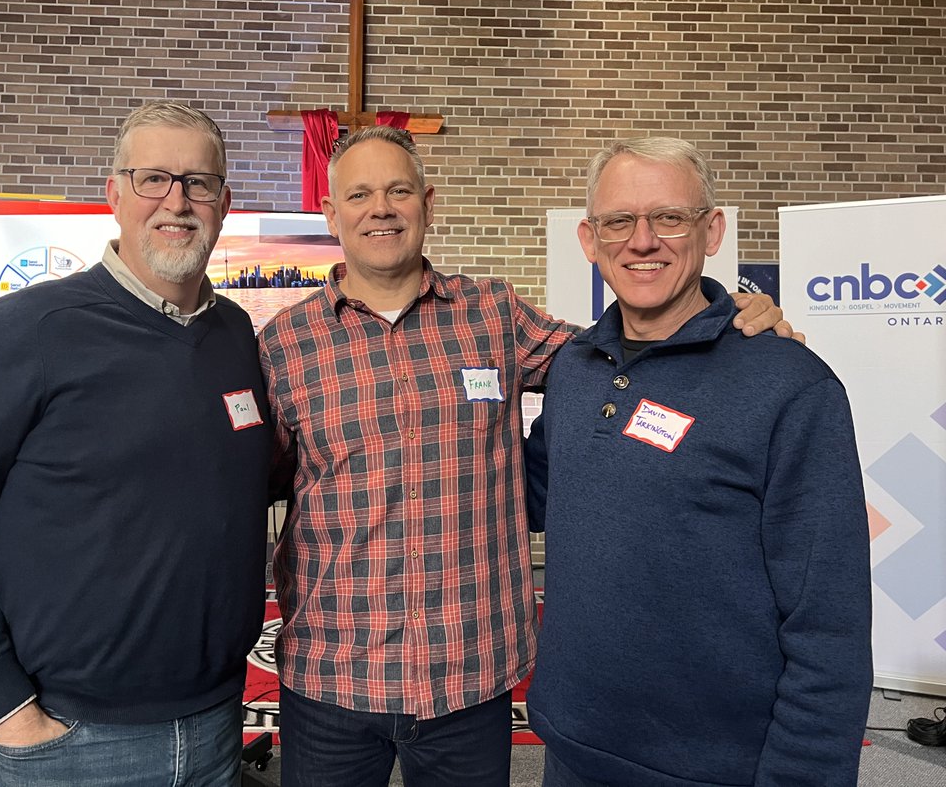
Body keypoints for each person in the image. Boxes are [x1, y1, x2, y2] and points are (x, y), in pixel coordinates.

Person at [258, 126, 791, 787]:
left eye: (399, 190)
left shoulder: (494, 316)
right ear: (331, 214)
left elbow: (626, 352)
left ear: (428, 202)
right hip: (333, 677)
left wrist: (730, 321)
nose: (382, 208)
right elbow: (260, 484)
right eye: (359, 195)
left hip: (472, 674)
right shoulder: (283, 345)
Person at [0, 101, 273, 787]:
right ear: (114, 194)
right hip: (70, 740)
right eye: (154, 179)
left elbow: (227, 484)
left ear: (224, 202)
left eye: (198, 182)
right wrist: (6, 711)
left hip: (215, 724)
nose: (176, 201)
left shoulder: (234, 335)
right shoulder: (31, 330)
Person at [525, 137, 872, 786]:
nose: (642, 241)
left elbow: (829, 625)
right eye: (619, 221)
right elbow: (522, 489)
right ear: (590, 238)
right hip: (571, 749)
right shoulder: (576, 369)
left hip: (714, 768)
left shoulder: (790, 386)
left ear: (711, 230)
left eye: (669, 218)